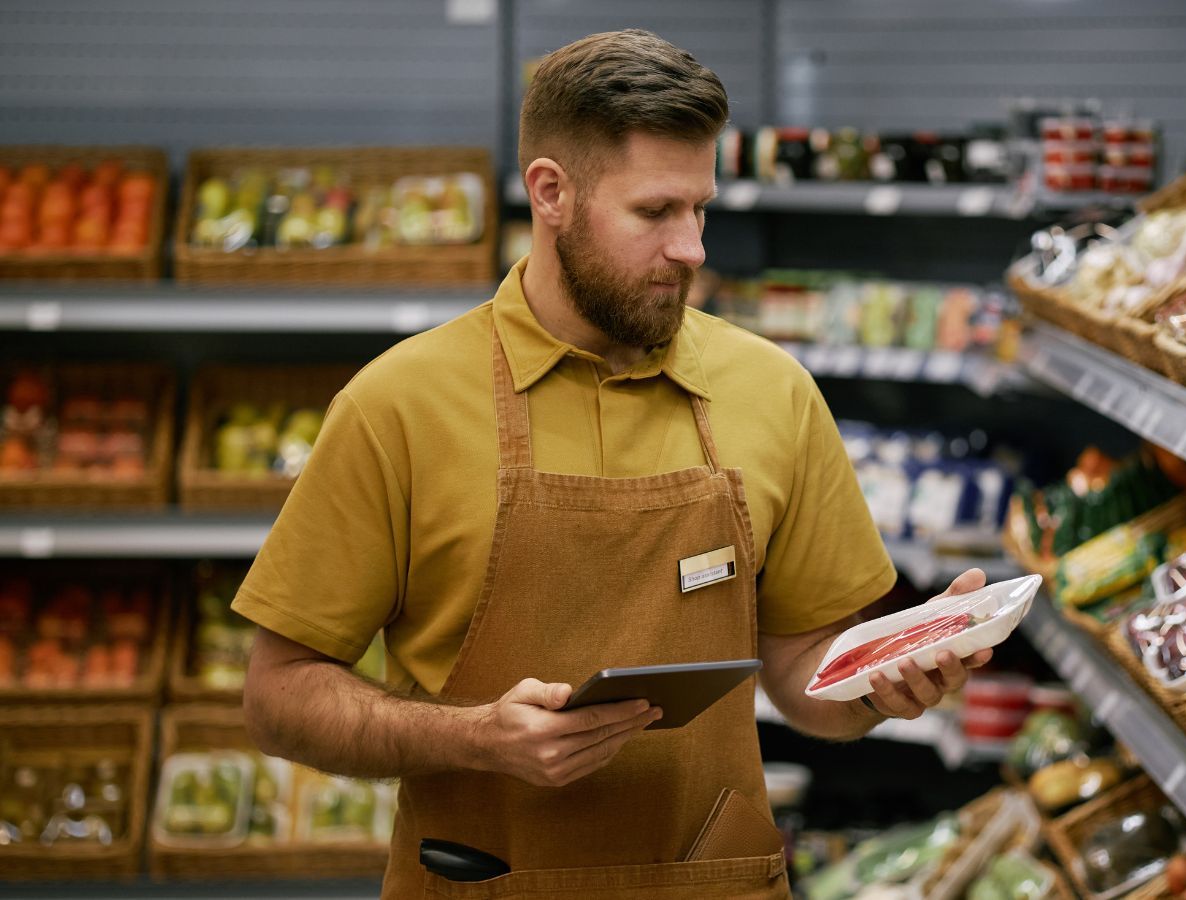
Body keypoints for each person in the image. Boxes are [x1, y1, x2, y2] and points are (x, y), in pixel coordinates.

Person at [237, 29, 991, 899]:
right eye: (655, 212)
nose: (693, 248)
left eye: (700, 208)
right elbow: (279, 694)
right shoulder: (397, 407)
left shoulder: (772, 391)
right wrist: (473, 737)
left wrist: (877, 684)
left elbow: (801, 669)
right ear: (550, 193)